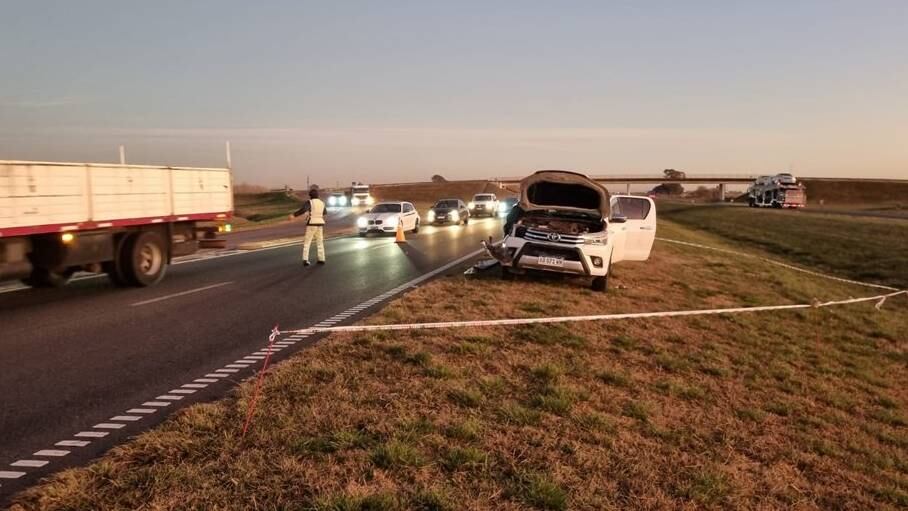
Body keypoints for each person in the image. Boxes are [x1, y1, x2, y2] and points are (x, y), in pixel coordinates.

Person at [290, 188, 327, 265]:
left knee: (307, 242)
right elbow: (325, 213)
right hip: (320, 224)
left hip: (311, 224)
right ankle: (321, 259)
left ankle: (305, 260)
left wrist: (294, 215)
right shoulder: (322, 203)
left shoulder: (310, 202)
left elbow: (303, 210)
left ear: (310, 196)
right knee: (320, 242)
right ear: (318, 195)